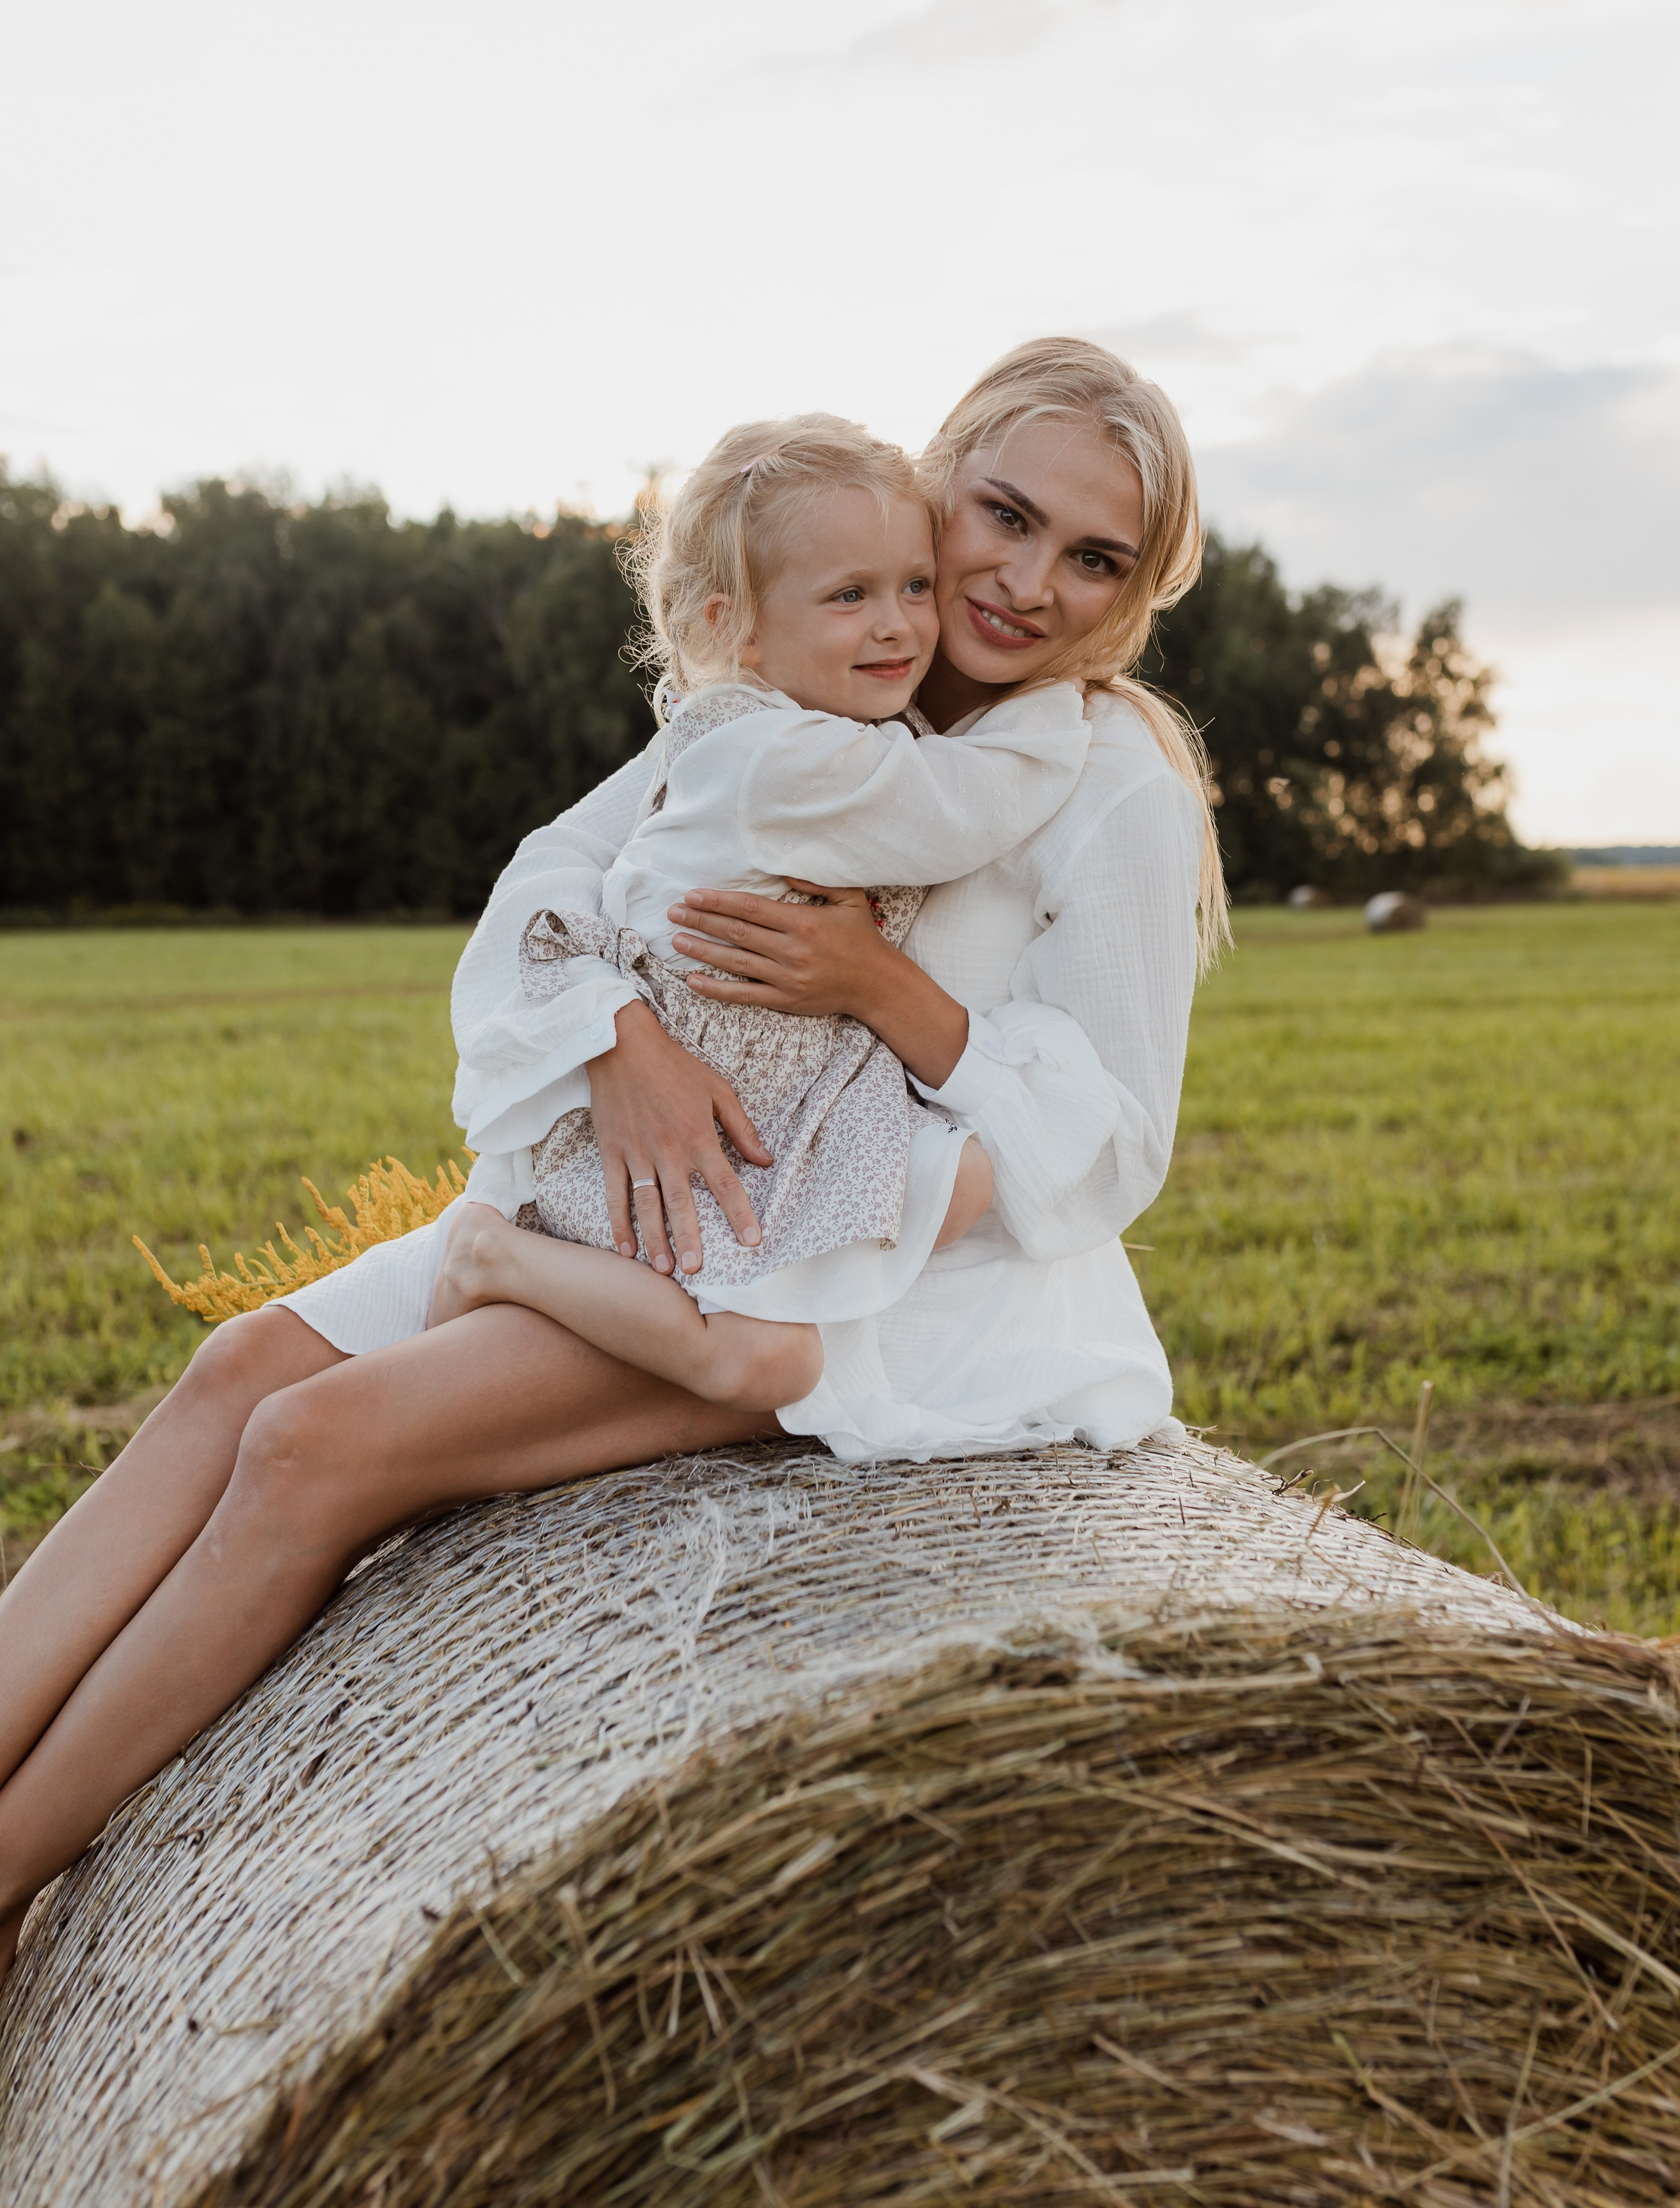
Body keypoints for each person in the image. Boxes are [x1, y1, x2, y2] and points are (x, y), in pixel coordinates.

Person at [0, 337, 1225, 1975]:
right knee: (240, 1369)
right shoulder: (800, 685)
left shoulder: (1105, 784)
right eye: (999, 514)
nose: (1023, 580)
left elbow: (1107, 1141)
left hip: (887, 1262)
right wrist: (617, 1043)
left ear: (1135, 593)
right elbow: (545, 889)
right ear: (936, 479)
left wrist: (882, 992)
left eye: (1093, 559)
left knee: (313, 1445)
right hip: (656, 1181)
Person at [415, 411, 1094, 1397]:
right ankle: (493, 1256)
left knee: (968, 1176)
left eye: (914, 584)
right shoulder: (776, 759)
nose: (899, 623)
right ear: (727, 628)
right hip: (695, 1114)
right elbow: (967, 804)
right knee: (773, 1359)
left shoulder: (786, 731)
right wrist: (1072, 700)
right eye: (848, 594)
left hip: (765, 1094)